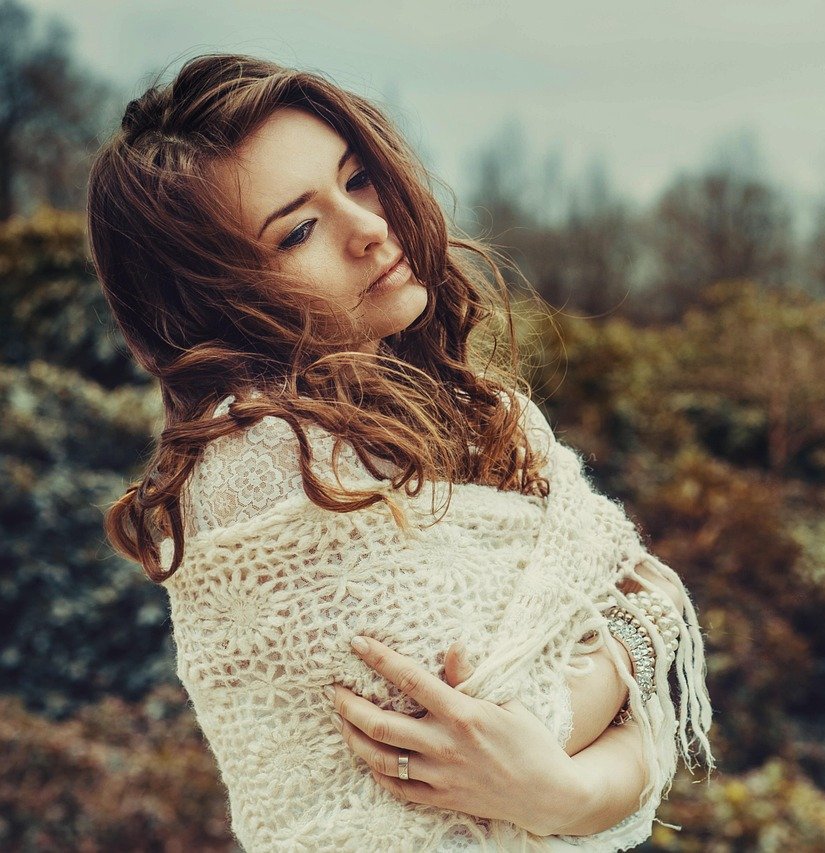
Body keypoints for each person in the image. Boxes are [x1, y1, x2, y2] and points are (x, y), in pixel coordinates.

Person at [87, 53, 714, 851]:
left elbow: (558, 760)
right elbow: (509, 715)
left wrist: (561, 791)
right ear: (215, 294)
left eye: (357, 180)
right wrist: (644, 621)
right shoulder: (262, 456)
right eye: (300, 229)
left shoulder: (491, 418)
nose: (369, 228)